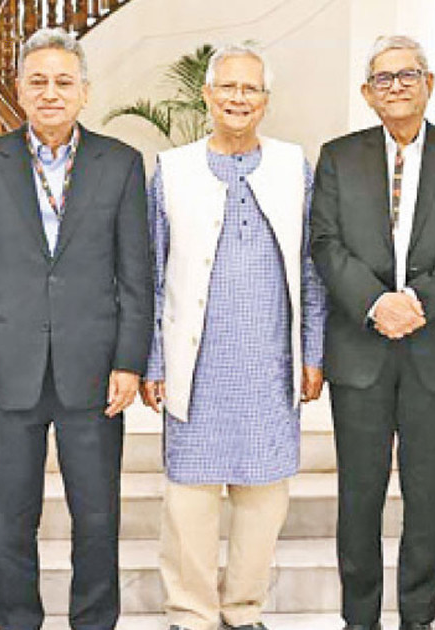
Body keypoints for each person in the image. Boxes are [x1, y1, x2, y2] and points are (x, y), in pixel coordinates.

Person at [0, 27, 153, 630]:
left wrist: (130, 360)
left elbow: (135, 275)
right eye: (37, 81)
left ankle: (94, 621)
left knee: (97, 517)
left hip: (94, 368)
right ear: (18, 90)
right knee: (13, 519)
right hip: (6, 368)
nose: (50, 92)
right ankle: (17, 621)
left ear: (84, 91)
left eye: (64, 81)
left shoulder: (121, 163)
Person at [310, 35, 435, 630]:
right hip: (359, 348)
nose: (396, 87)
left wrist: (418, 301)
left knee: (428, 497)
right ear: (368, 93)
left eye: (408, 75)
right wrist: (374, 303)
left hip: (434, 347)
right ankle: (359, 619)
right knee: (359, 497)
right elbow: (324, 243)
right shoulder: (338, 157)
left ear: (428, 84)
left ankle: (419, 617)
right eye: (383, 79)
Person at [138, 43, 326, 630]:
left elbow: (312, 268)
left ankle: (244, 609)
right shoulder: (172, 170)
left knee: (263, 494)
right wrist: (153, 361)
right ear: (207, 94)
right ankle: (191, 612)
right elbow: (150, 273)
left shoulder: (293, 166)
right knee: (189, 496)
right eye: (228, 87)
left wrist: (313, 352)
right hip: (195, 361)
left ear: (265, 100)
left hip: (269, 361)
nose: (238, 98)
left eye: (250, 89)